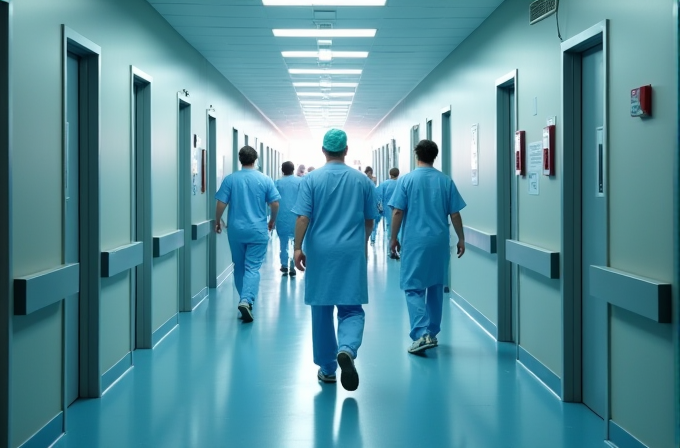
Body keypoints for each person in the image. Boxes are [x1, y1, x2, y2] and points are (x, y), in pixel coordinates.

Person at [292, 128, 377, 391]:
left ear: (323, 151)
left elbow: (303, 217)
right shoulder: (363, 181)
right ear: (346, 150)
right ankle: (347, 349)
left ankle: (328, 368)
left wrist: (297, 247)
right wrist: (362, 243)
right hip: (351, 251)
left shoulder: (311, 180)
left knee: (321, 308)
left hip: (320, 251)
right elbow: (369, 220)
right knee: (351, 307)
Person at [389, 139, 466, 354]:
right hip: (439, 242)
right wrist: (461, 238)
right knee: (435, 286)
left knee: (413, 287)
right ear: (435, 156)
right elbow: (455, 213)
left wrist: (393, 237)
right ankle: (432, 332)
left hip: (415, 242)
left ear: (417, 155)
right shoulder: (445, 181)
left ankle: (421, 333)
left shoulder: (407, 181)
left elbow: (397, 212)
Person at [215, 145, 280, 323]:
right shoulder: (265, 179)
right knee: (252, 267)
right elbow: (274, 204)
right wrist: (272, 220)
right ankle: (246, 300)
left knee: (239, 265)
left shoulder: (230, 179)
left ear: (240, 159)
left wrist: (217, 220)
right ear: (255, 159)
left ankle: (244, 300)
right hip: (257, 231)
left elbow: (221, 203)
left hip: (236, 230)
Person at [275, 161, 302, 277]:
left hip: (281, 216)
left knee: (283, 242)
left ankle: (284, 264)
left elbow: (273, 200)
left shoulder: (277, 183)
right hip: (297, 216)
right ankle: (292, 264)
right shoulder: (300, 182)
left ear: (282, 170)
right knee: (296, 242)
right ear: (293, 169)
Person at [376, 167, 400, 258]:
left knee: (391, 230)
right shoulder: (401, 183)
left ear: (390, 174)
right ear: (398, 174)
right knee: (400, 230)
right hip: (400, 209)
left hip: (388, 210)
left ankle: (391, 250)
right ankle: (400, 250)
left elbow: (377, 196)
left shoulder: (384, 184)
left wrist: (379, 209)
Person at [364, 166, 381, 244]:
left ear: (370, 172)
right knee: (371, 220)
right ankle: (371, 237)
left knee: (374, 221)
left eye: (368, 172)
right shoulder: (365, 180)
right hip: (372, 202)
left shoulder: (373, 180)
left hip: (373, 202)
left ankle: (372, 238)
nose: (367, 174)